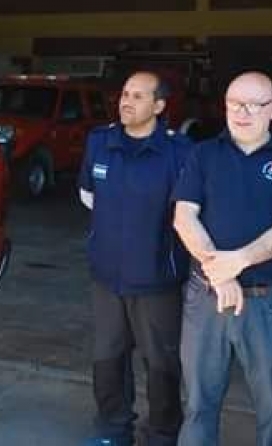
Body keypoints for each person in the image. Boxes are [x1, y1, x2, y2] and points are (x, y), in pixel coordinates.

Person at [173, 71, 272, 446]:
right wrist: (220, 275)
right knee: (199, 402)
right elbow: (184, 217)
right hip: (206, 297)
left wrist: (238, 261)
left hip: (267, 302)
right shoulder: (202, 153)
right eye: (235, 104)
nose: (243, 112)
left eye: (255, 105)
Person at [78, 71, 192, 446]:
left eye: (138, 96)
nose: (126, 101)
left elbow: (188, 212)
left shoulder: (179, 152)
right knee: (107, 355)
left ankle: (161, 433)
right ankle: (112, 428)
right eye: (125, 94)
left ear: (159, 106)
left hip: (157, 278)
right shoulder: (100, 142)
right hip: (107, 276)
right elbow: (88, 196)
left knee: (161, 363)